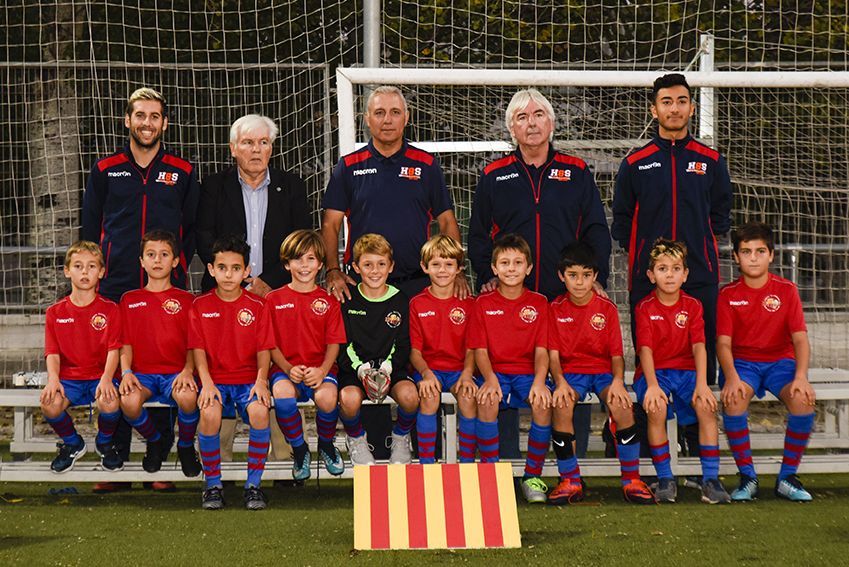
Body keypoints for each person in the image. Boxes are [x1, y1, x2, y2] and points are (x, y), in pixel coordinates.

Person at [468, 87, 609, 460]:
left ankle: (570, 462)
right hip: (511, 294)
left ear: (551, 122)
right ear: (511, 129)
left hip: (567, 294)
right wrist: (486, 273)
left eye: (538, 116)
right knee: (508, 368)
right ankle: (508, 461)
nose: (531, 124)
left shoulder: (576, 171)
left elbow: (595, 228)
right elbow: (479, 234)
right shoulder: (494, 175)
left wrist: (597, 278)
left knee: (570, 371)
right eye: (521, 117)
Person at [81, 87, 200, 492]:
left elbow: (193, 227)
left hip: (167, 284)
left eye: (154, 116)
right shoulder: (105, 168)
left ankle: (159, 457)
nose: (147, 123)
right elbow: (89, 226)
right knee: (115, 369)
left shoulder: (182, 170)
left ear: (164, 123)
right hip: (116, 285)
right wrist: (95, 273)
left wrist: (183, 268)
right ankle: (115, 460)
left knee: (164, 363)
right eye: (140, 116)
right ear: (128, 121)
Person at [612, 73, 732, 386]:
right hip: (647, 280)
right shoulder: (635, 163)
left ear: (692, 108)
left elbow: (720, 217)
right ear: (654, 110)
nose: (674, 109)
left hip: (699, 277)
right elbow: (622, 220)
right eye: (666, 102)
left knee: (701, 359)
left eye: (681, 101)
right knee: (649, 359)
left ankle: (696, 433)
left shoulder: (712, 161)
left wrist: (697, 250)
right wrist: (645, 259)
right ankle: (647, 429)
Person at [321, 85, 467, 302]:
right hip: (363, 284)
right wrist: (332, 270)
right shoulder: (349, 166)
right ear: (367, 118)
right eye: (379, 113)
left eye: (395, 112)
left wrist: (458, 272)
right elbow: (330, 225)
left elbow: (446, 221)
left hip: (417, 283)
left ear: (406, 118)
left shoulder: (426, 164)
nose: (387, 120)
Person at [546, 241, 654, 505]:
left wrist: (618, 382)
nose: (579, 282)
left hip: (603, 374)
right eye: (572, 275)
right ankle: (570, 479)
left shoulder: (607, 309)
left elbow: (617, 356)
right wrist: (559, 382)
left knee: (622, 404)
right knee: (561, 404)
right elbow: (553, 356)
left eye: (586, 275)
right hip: (570, 373)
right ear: (562, 276)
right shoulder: (554, 309)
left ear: (595, 276)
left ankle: (631, 479)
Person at [718, 222, 816, 501]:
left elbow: (800, 339)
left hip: (780, 363)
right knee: (734, 398)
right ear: (736, 257)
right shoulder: (728, 294)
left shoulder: (786, 290)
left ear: (771, 255)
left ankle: (787, 478)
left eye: (760, 251)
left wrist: (800, 376)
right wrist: (732, 376)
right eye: (746, 251)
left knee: (803, 400)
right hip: (743, 364)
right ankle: (748, 477)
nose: (753, 257)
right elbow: (723, 344)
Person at [632, 239, 730, 504]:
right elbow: (645, 351)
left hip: (687, 373)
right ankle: (665, 479)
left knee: (707, 408)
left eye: (676, 268)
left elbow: (700, 347)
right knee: (656, 408)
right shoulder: (644, 307)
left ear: (685, 274)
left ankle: (710, 479)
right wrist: (652, 386)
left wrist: (702, 384)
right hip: (654, 374)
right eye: (662, 268)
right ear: (652, 275)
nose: (670, 274)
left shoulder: (694, 305)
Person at [189, 235, 274, 510]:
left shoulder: (259, 306)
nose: (229, 274)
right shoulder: (199, 306)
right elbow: (198, 350)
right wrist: (207, 384)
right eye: (222, 267)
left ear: (247, 271)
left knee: (260, 411)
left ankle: (253, 486)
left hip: (249, 380)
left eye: (236, 268)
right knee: (210, 413)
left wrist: (261, 382)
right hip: (216, 381)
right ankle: (213, 485)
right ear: (211, 269)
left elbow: (265, 349)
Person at [466, 233, 550, 503]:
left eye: (517, 263)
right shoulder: (483, 303)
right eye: (504, 263)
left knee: (542, 403)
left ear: (529, 268)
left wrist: (539, 381)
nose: (511, 268)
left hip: (527, 373)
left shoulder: (539, 303)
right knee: (488, 399)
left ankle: (532, 476)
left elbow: (542, 351)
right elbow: (480, 350)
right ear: (494, 268)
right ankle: (492, 476)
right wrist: (489, 379)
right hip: (496, 371)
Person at [197, 113, 311, 296]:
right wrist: (232, 276)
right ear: (233, 149)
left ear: (271, 149)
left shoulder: (292, 186)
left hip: (280, 291)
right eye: (248, 142)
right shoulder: (213, 186)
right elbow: (204, 237)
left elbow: (302, 241)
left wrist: (270, 281)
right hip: (224, 292)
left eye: (263, 142)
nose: (256, 149)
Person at [117, 230, 201, 477]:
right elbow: (126, 343)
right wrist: (126, 372)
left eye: (164, 255)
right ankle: (155, 440)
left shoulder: (187, 300)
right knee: (129, 402)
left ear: (175, 261)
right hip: (142, 375)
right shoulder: (129, 300)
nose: (157, 260)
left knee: (187, 398)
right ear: (141, 261)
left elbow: (193, 344)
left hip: (176, 373)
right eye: (151, 255)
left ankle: (185, 446)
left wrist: (187, 370)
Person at [266, 230, 347, 479]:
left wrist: (322, 370)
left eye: (311, 259)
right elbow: (269, 344)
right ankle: (300, 449)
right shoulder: (273, 299)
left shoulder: (328, 301)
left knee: (328, 397)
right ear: (287, 263)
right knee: (282, 396)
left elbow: (335, 342)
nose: (304, 265)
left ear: (321, 264)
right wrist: (288, 367)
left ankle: (325, 444)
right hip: (284, 369)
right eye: (298, 259)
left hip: (320, 369)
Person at [40, 241, 123, 473]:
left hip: (100, 376)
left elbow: (113, 350)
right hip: (69, 378)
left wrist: (107, 378)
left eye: (91, 266)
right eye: (78, 266)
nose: (85, 272)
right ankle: (73, 443)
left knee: (110, 400)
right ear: (67, 271)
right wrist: (53, 379)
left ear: (102, 272)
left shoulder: (110, 309)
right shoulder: (54, 312)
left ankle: (104, 443)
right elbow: (52, 352)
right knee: (49, 404)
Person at [336, 234, 418, 465]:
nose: (375, 271)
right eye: (367, 265)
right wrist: (361, 369)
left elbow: (403, 342)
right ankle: (357, 439)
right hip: (356, 370)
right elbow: (343, 344)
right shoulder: (348, 299)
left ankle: (401, 438)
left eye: (381, 264)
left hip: (391, 368)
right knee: (349, 399)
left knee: (411, 396)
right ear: (355, 267)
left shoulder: (401, 299)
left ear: (391, 266)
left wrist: (387, 368)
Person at [409, 235, 482, 463]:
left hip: (461, 369)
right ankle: (427, 463)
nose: (442, 270)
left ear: (459, 268)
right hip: (429, 369)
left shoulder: (470, 304)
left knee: (469, 397)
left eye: (449, 264)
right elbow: (414, 351)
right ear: (425, 267)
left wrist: (468, 375)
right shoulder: (417, 303)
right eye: (436, 264)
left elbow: (473, 346)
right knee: (429, 396)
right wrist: (426, 374)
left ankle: (468, 462)